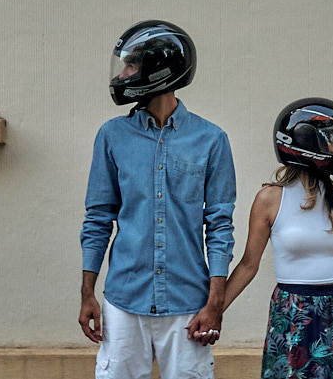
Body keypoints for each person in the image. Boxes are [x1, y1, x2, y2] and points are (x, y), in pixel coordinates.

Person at [79, 20, 236, 379]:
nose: (122, 74)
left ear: (158, 72)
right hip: (123, 301)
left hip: (187, 305)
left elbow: (220, 226)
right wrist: (87, 293)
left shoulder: (212, 140)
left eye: (131, 66)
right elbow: (98, 218)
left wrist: (215, 304)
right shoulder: (112, 137)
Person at [223, 98, 333, 379]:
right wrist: (214, 310)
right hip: (294, 312)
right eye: (332, 140)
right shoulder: (270, 199)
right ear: (308, 144)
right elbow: (249, 264)